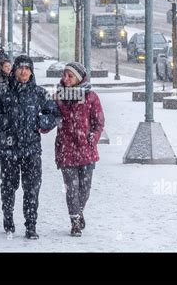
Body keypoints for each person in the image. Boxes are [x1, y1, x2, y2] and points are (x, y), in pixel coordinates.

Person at [0, 55, 59, 239]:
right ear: (14, 70)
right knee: (9, 187)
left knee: (32, 187)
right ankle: (8, 218)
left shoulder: (40, 93)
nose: (23, 71)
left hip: (31, 149)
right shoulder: (2, 91)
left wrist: (41, 121)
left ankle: (31, 224)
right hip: (8, 149)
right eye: (20, 68)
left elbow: (54, 115)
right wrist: (4, 120)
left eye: (27, 68)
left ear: (31, 72)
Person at [53, 62, 105, 237]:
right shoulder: (58, 98)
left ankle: (79, 210)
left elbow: (99, 122)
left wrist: (93, 138)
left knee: (85, 188)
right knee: (72, 189)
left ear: (79, 78)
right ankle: (74, 221)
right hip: (66, 150)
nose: (65, 79)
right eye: (64, 75)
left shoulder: (91, 97)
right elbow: (50, 119)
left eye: (70, 76)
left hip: (86, 150)